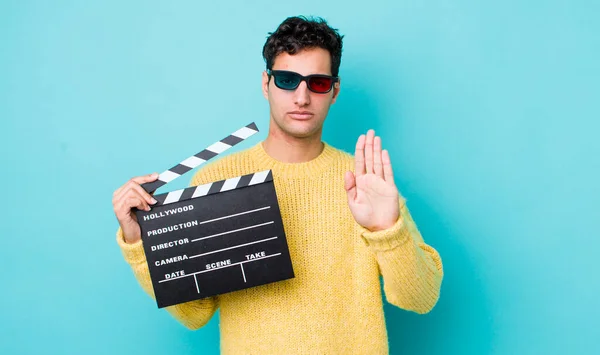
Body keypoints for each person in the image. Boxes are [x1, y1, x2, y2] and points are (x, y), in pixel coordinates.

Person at [113, 15, 444, 354]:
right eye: (287, 80)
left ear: (334, 91)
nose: (301, 97)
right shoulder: (217, 181)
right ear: (266, 83)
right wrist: (140, 245)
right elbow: (194, 312)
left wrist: (388, 230)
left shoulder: (366, 181)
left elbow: (421, 298)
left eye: (317, 83)